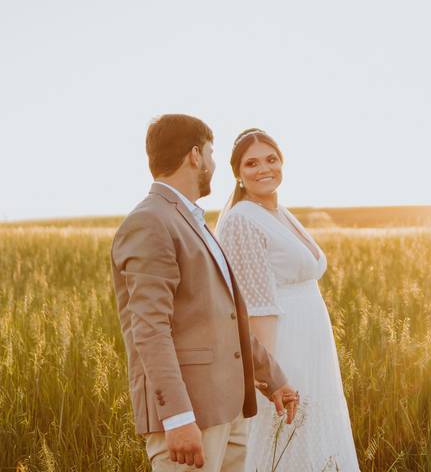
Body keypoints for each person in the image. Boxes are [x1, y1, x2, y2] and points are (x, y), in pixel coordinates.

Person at [111, 115, 300, 472]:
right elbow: (149, 329)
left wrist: (273, 378)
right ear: (195, 155)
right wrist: (177, 417)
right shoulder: (150, 221)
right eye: (211, 153)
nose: (213, 164)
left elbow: (226, 317)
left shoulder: (193, 220)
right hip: (191, 418)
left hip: (227, 412)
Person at [216, 128, 360, 471]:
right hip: (284, 346)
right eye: (251, 163)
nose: (264, 168)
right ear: (237, 173)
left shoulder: (279, 212)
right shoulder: (241, 220)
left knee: (315, 430)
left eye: (271, 159)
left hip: (312, 344)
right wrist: (267, 375)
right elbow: (256, 304)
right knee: (284, 432)